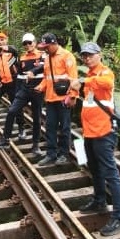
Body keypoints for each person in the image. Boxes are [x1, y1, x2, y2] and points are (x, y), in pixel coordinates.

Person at [67, 41, 120, 236]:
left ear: (99, 55)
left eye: (90, 55)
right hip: (90, 132)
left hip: (104, 132)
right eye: (84, 55)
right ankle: (99, 200)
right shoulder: (91, 75)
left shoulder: (105, 72)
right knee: (94, 168)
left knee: (111, 173)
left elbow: (108, 84)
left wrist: (83, 82)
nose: (87, 58)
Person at [0, 33, 45, 156]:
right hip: (24, 89)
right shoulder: (22, 57)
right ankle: (5, 139)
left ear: (35, 42)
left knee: (37, 118)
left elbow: (43, 66)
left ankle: (36, 145)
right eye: (25, 43)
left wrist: (33, 72)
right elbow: (19, 75)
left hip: (38, 90)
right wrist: (17, 91)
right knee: (12, 111)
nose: (27, 45)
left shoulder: (42, 55)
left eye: (30, 42)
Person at [36, 32, 77, 165]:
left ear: (54, 43)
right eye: (44, 47)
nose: (45, 49)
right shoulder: (47, 58)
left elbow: (74, 78)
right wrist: (41, 87)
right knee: (50, 127)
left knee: (65, 127)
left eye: (47, 47)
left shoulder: (67, 56)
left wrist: (73, 96)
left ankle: (64, 154)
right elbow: (46, 77)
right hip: (50, 98)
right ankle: (51, 154)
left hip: (63, 98)